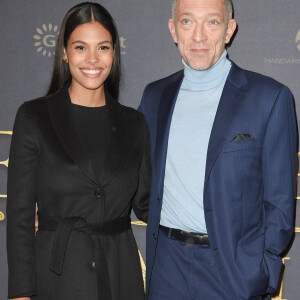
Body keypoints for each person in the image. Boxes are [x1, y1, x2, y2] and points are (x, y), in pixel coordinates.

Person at [139, 0, 297, 299]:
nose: (198, 36)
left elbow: (279, 203)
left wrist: (259, 269)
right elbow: (129, 171)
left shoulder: (270, 97)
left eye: (212, 22)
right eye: (187, 22)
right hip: (166, 267)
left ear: (229, 30)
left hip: (232, 271)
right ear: (173, 30)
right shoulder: (155, 96)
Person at [6, 2, 151, 300]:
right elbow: (20, 218)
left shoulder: (134, 122)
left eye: (103, 47)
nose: (93, 59)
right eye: (81, 47)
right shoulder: (34, 117)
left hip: (121, 275)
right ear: (64, 51)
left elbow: (148, 203)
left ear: (114, 52)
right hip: (57, 277)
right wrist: (21, 293)